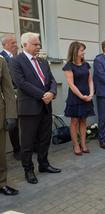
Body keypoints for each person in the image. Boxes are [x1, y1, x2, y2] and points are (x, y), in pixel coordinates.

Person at [9, 32, 61, 184]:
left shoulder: (43, 61)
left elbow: (51, 79)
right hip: (29, 108)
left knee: (45, 138)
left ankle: (44, 164)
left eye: (39, 44)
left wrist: (52, 92)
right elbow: (21, 83)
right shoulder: (16, 61)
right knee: (28, 142)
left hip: (46, 107)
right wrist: (42, 95)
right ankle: (28, 170)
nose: (39, 47)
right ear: (25, 45)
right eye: (35, 44)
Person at [63, 41, 95, 155]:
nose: (83, 52)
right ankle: (76, 145)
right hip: (75, 97)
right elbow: (71, 84)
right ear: (75, 51)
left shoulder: (86, 65)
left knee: (83, 120)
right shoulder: (68, 66)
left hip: (87, 96)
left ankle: (83, 143)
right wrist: (82, 96)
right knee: (75, 121)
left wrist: (91, 94)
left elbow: (90, 80)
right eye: (82, 50)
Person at [0, 57, 19, 195]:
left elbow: (8, 90)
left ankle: (1, 183)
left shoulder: (1, 61)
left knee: (0, 154)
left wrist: (11, 114)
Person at [0, 34, 21, 161]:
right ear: (5, 44)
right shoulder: (2, 58)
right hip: (9, 96)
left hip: (22, 94)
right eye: (13, 43)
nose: (16, 45)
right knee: (13, 123)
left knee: (24, 121)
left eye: (16, 43)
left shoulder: (18, 57)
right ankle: (16, 149)